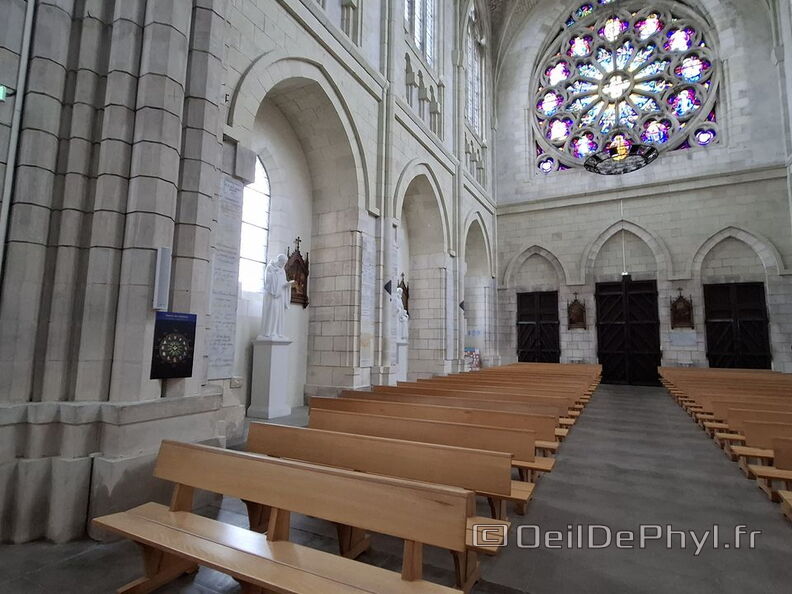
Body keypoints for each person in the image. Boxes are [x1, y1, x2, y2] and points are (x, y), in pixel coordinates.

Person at [258, 254, 295, 339]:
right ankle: (269, 332)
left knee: (278, 314)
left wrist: (288, 284)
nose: (283, 265)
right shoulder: (270, 268)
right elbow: (269, 282)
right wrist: (277, 276)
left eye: (285, 263)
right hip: (272, 296)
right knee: (273, 313)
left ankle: (277, 332)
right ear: (279, 260)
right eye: (283, 262)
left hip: (280, 296)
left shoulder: (282, 270)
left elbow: (283, 282)